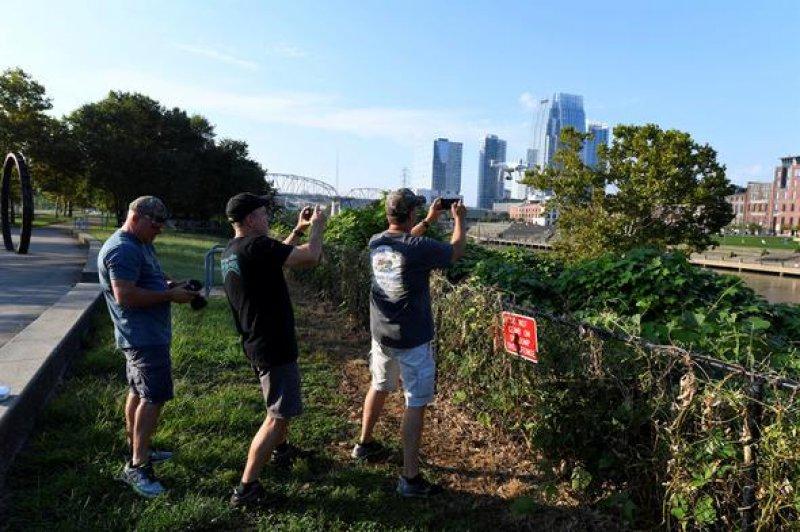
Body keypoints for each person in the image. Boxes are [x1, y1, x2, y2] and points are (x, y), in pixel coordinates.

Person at [352, 189, 466, 497]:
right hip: (412, 338)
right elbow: (455, 251)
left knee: (379, 384)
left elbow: (405, 243)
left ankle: (364, 444)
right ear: (411, 214)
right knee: (415, 403)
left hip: (382, 334)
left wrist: (429, 220)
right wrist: (459, 220)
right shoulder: (419, 247)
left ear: (389, 215)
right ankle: (410, 479)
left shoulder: (377, 241)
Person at [220, 192, 327, 507]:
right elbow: (310, 258)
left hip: (256, 341)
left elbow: (273, 255)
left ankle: (282, 450)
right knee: (277, 416)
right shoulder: (257, 245)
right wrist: (318, 228)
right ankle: (246, 488)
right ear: (251, 220)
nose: (267, 218)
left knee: (278, 407)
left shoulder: (234, 249)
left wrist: (297, 230)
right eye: (264, 214)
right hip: (273, 343)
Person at [97, 196, 197, 498]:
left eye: (161, 226)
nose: (159, 231)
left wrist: (173, 285)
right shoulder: (123, 249)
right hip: (143, 338)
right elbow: (125, 295)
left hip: (145, 335)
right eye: (154, 224)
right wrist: (170, 297)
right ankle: (138, 467)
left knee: (138, 392)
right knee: (153, 397)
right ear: (136, 217)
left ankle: (137, 448)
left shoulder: (140, 243)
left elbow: (151, 279)